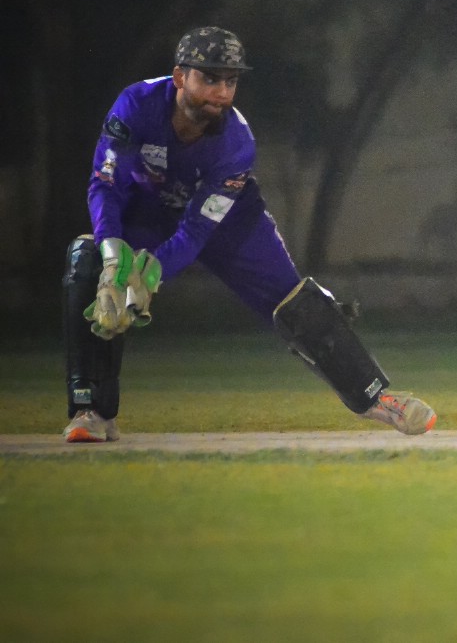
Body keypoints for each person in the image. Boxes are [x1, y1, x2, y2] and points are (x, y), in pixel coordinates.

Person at [62, 26, 436, 443]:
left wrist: (151, 273)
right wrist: (114, 257)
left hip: (229, 222)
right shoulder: (136, 103)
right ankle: (91, 411)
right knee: (87, 261)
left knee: (295, 302)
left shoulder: (236, 142)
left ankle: (376, 398)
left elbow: (198, 229)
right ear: (180, 76)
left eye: (231, 81)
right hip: (147, 210)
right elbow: (106, 184)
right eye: (210, 78)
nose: (221, 93)